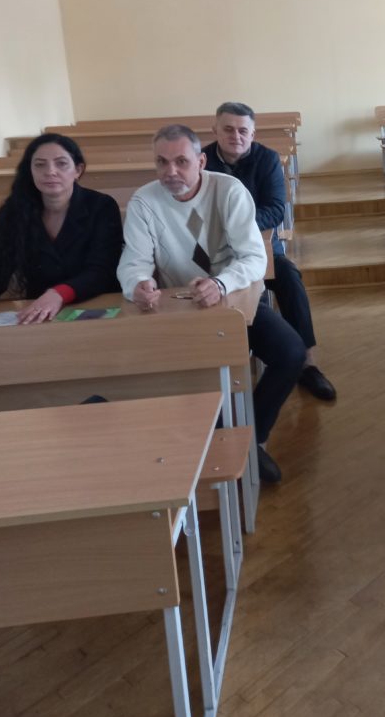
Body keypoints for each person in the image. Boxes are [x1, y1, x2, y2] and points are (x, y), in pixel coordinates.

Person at [117, 124, 306, 483]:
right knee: (195, 374)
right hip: (180, 307)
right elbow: (134, 261)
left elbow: (254, 258)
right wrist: (137, 283)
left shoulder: (229, 190)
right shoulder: (144, 201)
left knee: (291, 353)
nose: (171, 171)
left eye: (181, 162)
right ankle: (224, 442)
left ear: (201, 161)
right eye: (161, 162)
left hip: (235, 299)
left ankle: (251, 437)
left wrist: (221, 283)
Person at [203, 102, 336, 402]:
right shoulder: (202, 161)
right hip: (213, 252)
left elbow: (275, 210)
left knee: (288, 275)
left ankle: (308, 364)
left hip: (259, 247)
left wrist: (236, 227)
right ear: (215, 131)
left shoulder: (267, 159)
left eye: (243, 131)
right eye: (228, 129)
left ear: (252, 134)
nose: (236, 136)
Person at [0, 133, 122, 323]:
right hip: (39, 312)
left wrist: (59, 293)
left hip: (96, 303)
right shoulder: (15, 211)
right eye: (40, 164)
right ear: (30, 170)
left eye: (61, 163)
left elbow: (102, 270)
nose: (50, 171)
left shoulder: (101, 206)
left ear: (78, 170)